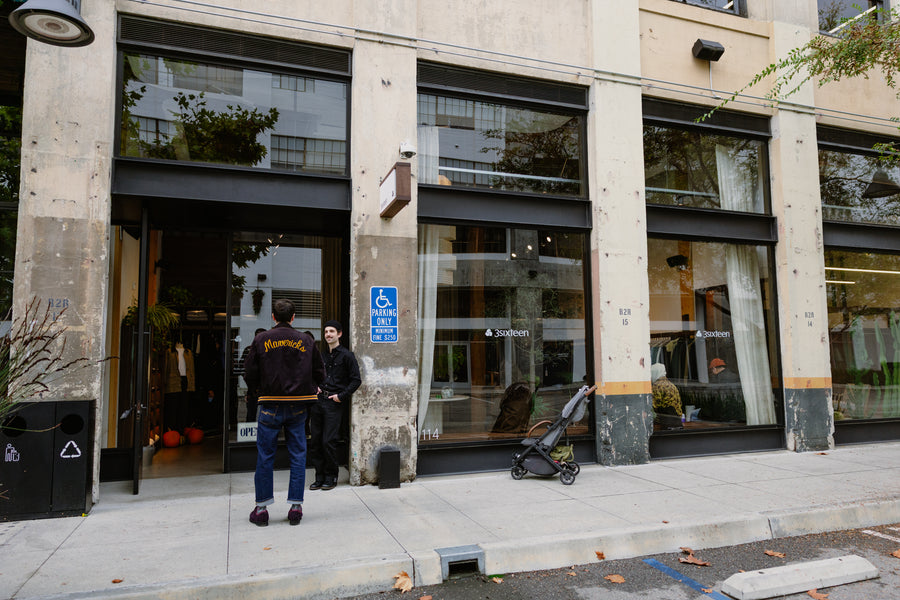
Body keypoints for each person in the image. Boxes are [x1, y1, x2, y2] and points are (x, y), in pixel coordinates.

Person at [243, 299, 325, 527]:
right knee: (298, 455)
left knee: (265, 455)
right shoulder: (306, 340)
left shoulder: (261, 339)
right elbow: (320, 371)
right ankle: (296, 507)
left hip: (270, 405)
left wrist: (257, 390)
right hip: (298, 405)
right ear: (293, 317)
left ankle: (261, 509)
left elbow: (249, 371)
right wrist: (312, 386)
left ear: (272, 317)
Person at [308, 319, 360, 491]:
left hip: (333, 403)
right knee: (315, 441)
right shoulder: (321, 355)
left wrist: (341, 396)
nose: (328, 334)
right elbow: (313, 375)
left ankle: (331, 477)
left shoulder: (347, 356)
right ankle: (319, 477)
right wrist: (315, 387)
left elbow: (356, 380)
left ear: (339, 334)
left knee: (328, 441)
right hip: (318, 402)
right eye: (326, 332)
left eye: (331, 331)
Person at [239, 328, 267, 422]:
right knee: (252, 414)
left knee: (265, 416)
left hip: (264, 389)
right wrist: (249, 381)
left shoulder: (268, 351)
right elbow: (240, 367)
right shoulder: (250, 350)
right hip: (254, 389)